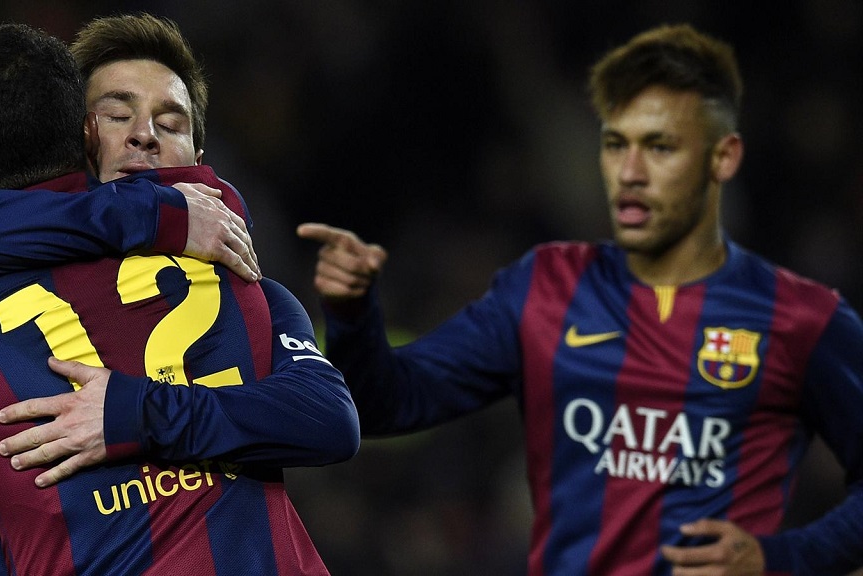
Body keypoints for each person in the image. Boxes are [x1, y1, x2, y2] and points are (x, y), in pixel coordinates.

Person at [297, 24, 863, 575]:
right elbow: (384, 404)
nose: (631, 173)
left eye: (660, 146)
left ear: (723, 158)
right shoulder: (546, 288)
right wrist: (352, 313)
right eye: (617, 144)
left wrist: (782, 558)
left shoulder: (801, 320)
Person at [0, 20, 358, 575]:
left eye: (170, 122)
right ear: (78, 135)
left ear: (198, 151)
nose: (144, 135)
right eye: (118, 115)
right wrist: (154, 213)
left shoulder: (245, 285)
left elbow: (331, 419)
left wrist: (137, 412)